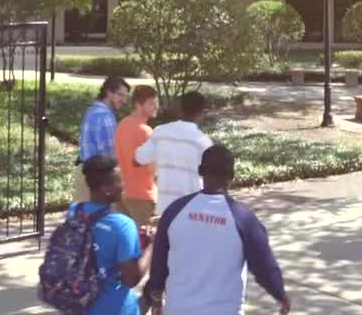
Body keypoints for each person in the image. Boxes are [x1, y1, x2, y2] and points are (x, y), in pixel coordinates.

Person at [143, 145, 291, 315]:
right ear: (232, 175)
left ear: (200, 172)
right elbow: (264, 267)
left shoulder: (175, 211)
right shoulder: (243, 219)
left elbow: (159, 262)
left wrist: (155, 299)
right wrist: (281, 296)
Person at [70, 155, 154, 314]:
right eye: (119, 180)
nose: (123, 185)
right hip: (114, 308)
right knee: (149, 293)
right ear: (106, 188)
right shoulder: (122, 225)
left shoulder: (75, 211)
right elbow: (131, 280)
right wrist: (150, 246)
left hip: (80, 305)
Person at [134, 90, 212, 216]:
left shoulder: (160, 132)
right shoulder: (203, 142)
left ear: (179, 110)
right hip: (191, 211)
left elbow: (138, 159)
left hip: (165, 209)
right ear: (202, 113)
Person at [76, 76, 131, 203]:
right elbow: (109, 155)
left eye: (125, 97)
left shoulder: (91, 111)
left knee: (84, 217)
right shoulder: (106, 116)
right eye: (120, 95)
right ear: (108, 92)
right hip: (98, 177)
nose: (123, 100)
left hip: (84, 171)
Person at [115, 85, 159, 228]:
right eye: (151, 103)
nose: (156, 107)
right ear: (138, 105)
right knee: (146, 244)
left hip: (122, 193)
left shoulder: (122, 124)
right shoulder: (146, 131)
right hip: (142, 195)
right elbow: (152, 168)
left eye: (156, 103)